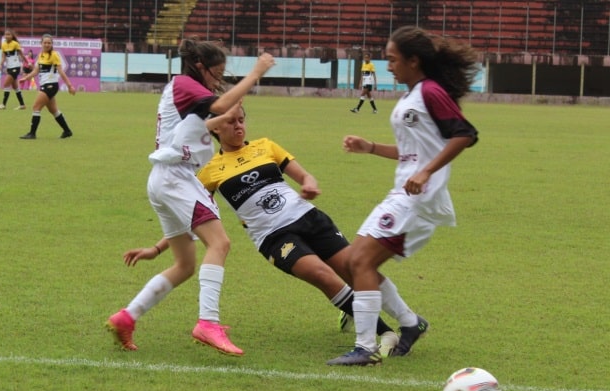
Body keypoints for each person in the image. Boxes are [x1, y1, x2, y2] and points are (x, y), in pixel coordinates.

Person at [123, 105, 402, 359]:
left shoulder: (264, 146)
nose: (239, 126)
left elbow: (305, 176)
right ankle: (384, 332)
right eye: (231, 122)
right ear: (216, 127)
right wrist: (157, 248)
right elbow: (192, 216)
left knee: (352, 268)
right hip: (273, 237)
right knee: (321, 274)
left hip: (308, 218)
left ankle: (404, 321)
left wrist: (309, 183)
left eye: (242, 120)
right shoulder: (208, 170)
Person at [106, 40, 275, 356]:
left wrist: (156, 248)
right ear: (200, 66)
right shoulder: (185, 84)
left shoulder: (185, 93)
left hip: (165, 179)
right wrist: (256, 73)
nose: (217, 79)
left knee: (184, 265)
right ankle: (207, 323)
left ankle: (126, 317)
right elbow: (222, 107)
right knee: (220, 243)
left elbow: (204, 123)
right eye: (217, 73)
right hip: (175, 177)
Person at [327, 26, 480, 366]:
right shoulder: (412, 95)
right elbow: (415, 152)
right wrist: (370, 148)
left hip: (418, 197)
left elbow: (465, 135)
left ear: (414, 60)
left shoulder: (430, 92)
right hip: (403, 192)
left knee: (360, 261)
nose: (388, 66)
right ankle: (410, 324)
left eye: (393, 59)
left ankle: (366, 348)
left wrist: (426, 173)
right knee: (355, 262)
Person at [17, 34, 76, 140]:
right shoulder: (41, 55)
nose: (47, 44)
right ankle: (67, 131)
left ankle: (32, 133)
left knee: (36, 107)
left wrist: (69, 86)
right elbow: (36, 71)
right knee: (54, 111)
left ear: (52, 44)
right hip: (45, 85)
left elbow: (61, 71)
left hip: (50, 85)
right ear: (41, 43)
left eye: (49, 42)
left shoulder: (54, 55)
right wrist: (26, 78)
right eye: (45, 42)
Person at [0, 29, 27, 110]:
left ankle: (3, 104)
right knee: (15, 87)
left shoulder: (15, 44)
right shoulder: (3, 45)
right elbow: (3, 57)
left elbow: (21, 54)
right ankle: (22, 105)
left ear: (12, 36)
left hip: (15, 67)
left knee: (6, 84)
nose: (7, 36)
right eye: (5, 35)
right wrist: (0, 64)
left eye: (8, 34)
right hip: (9, 67)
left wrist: (27, 62)